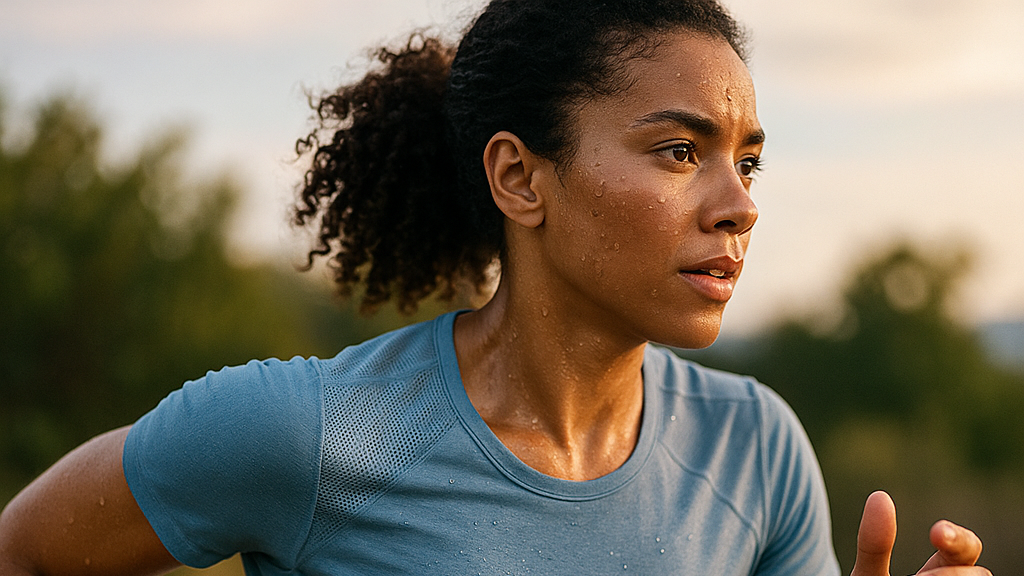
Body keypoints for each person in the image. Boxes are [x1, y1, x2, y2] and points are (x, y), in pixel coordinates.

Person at [0, 0, 992, 574]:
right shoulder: (304, 434)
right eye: (680, 150)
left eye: (748, 160)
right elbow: (29, 552)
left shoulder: (756, 450)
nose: (738, 203)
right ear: (521, 177)